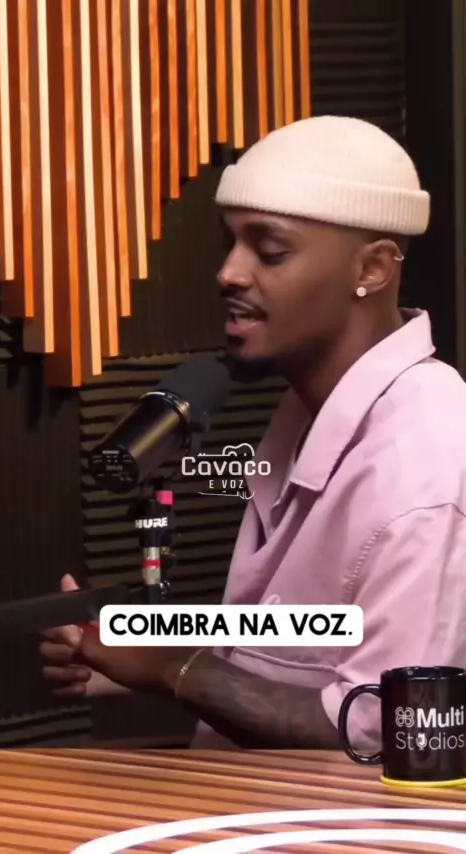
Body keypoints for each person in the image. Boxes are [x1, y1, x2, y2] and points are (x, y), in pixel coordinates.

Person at [40, 115, 466, 751]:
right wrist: (123, 651)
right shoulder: (308, 409)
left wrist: (172, 670)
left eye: (269, 251)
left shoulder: (423, 459)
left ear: (374, 268)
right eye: (231, 244)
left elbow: (386, 728)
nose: (229, 273)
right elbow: (300, 636)